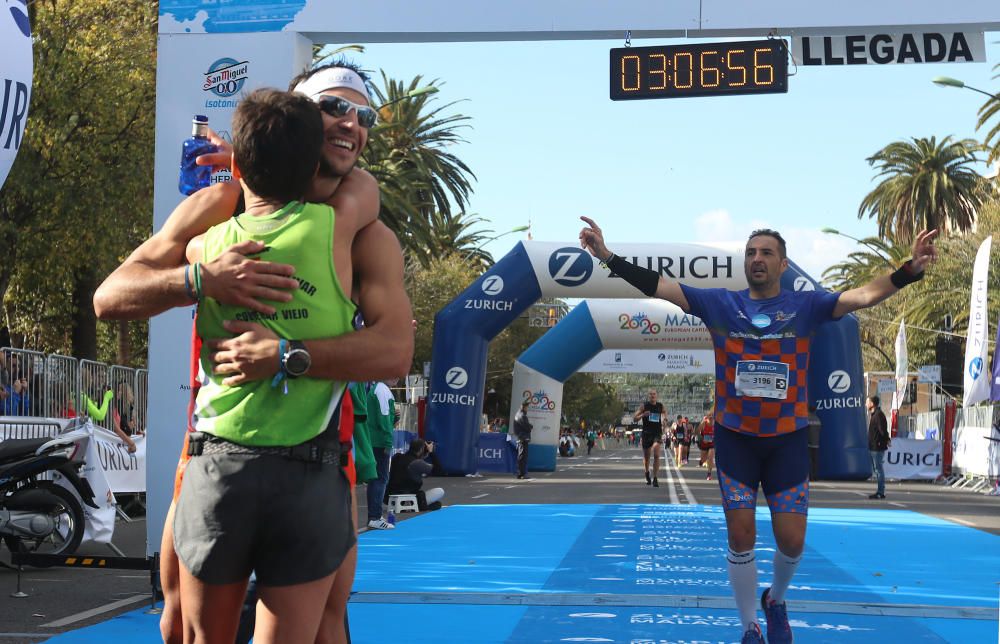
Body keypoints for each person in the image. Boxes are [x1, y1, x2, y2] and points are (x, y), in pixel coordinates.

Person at [94, 60, 412, 644]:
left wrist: (288, 353)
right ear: (299, 118)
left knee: (325, 625)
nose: (351, 124)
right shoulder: (221, 206)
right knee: (177, 624)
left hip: (320, 454)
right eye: (334, 108)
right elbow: (112, 294)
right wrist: (196, 279)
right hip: (213, 452)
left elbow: (395, 351)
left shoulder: (364, 228)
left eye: (362, 114)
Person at [579, 215, 936, 644]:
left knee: (792, 542)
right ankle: (749, 625)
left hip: (786, 439)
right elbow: (659, 286)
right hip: (736, 439)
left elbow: (861, 296)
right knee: (741, 534)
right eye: (751, 253)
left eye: (766, 252)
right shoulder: (720, 305)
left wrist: (908, 272)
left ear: (783, 264)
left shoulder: (806, 306)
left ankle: (776, 599)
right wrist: (606, 257)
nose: (757, 259)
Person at [366, 379, 396, 530]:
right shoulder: (382, 390)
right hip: (379, 442)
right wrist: (388, 442)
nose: (397, 378)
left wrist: (395, 417)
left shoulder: (378, 389)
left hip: (375, 440)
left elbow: (385, 418)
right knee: (380, 478)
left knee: (376, 478)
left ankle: (374, 516)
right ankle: (375, 516)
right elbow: (384, 419)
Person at [384, 438, 445, 511]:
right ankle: (415, 506)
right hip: (409, 496)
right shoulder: (417, 463)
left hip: (389, 496)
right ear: (421, 450)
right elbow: (439, 471)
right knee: (440, 491)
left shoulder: (397, 457)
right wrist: (431, 453)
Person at [634, 391, 665, 487]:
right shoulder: (644, 406)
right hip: (647, 433)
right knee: (647, 457)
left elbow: (664, 415)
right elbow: (635, 418)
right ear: (649, 396)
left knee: (656, 454)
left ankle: (655, 478)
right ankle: (647, 472)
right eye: (651, 394)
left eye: (654, 394)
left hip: (657, 433)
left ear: (657, 396)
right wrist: (643, 415)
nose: (652, 395)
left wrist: (664, 420)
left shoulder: (660, 406)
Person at [867, 395, 890, 499]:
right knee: (876, 470)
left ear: (872, 404)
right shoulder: (874, 415)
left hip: (878, 447)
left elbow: (882, 430)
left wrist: (886, 440)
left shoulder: (878, 415)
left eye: (867, 402)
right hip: (873, 446)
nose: (866, 404)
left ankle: (881, 492)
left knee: (878, 469)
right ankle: (880, 491)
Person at [513, 400, 532, 479]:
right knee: (523, 456)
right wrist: (531, 426)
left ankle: (520, 473)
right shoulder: (522, 415)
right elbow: (527, 426)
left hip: (520, 437)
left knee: (521, 455)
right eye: (527, 407)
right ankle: (522, 473)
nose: (527, 409)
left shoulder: (518, 414)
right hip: (523, 437)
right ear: (524, 407)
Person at [697, 413, 716, 480]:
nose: (711, 417)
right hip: (704, 444)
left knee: (710, 457)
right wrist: (702, 439)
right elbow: (697, 431)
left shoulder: (715, 424)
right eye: (709, 416)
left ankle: (709, 474)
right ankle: (701, 462)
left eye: (712, 416)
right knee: (703, 459)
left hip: (712, 444)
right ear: (707, 417)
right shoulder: (704, 423)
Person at [807, 405, 822, 481]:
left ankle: (810, 477)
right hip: (816, 443)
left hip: (808, 444)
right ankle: (815, 476)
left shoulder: (807, 420)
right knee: (815, 461)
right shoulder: (818, 420)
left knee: (808, 461)